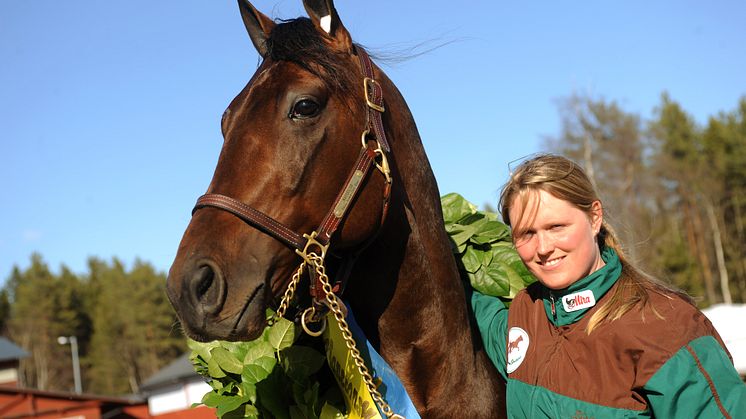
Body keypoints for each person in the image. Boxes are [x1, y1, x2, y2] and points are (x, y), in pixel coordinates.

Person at [471, 154, 746, 418]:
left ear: (594, 217)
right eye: (527, 233)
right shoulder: (526, 312)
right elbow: (483, 317)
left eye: (556, 227)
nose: (543, 248)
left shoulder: (667, 326)